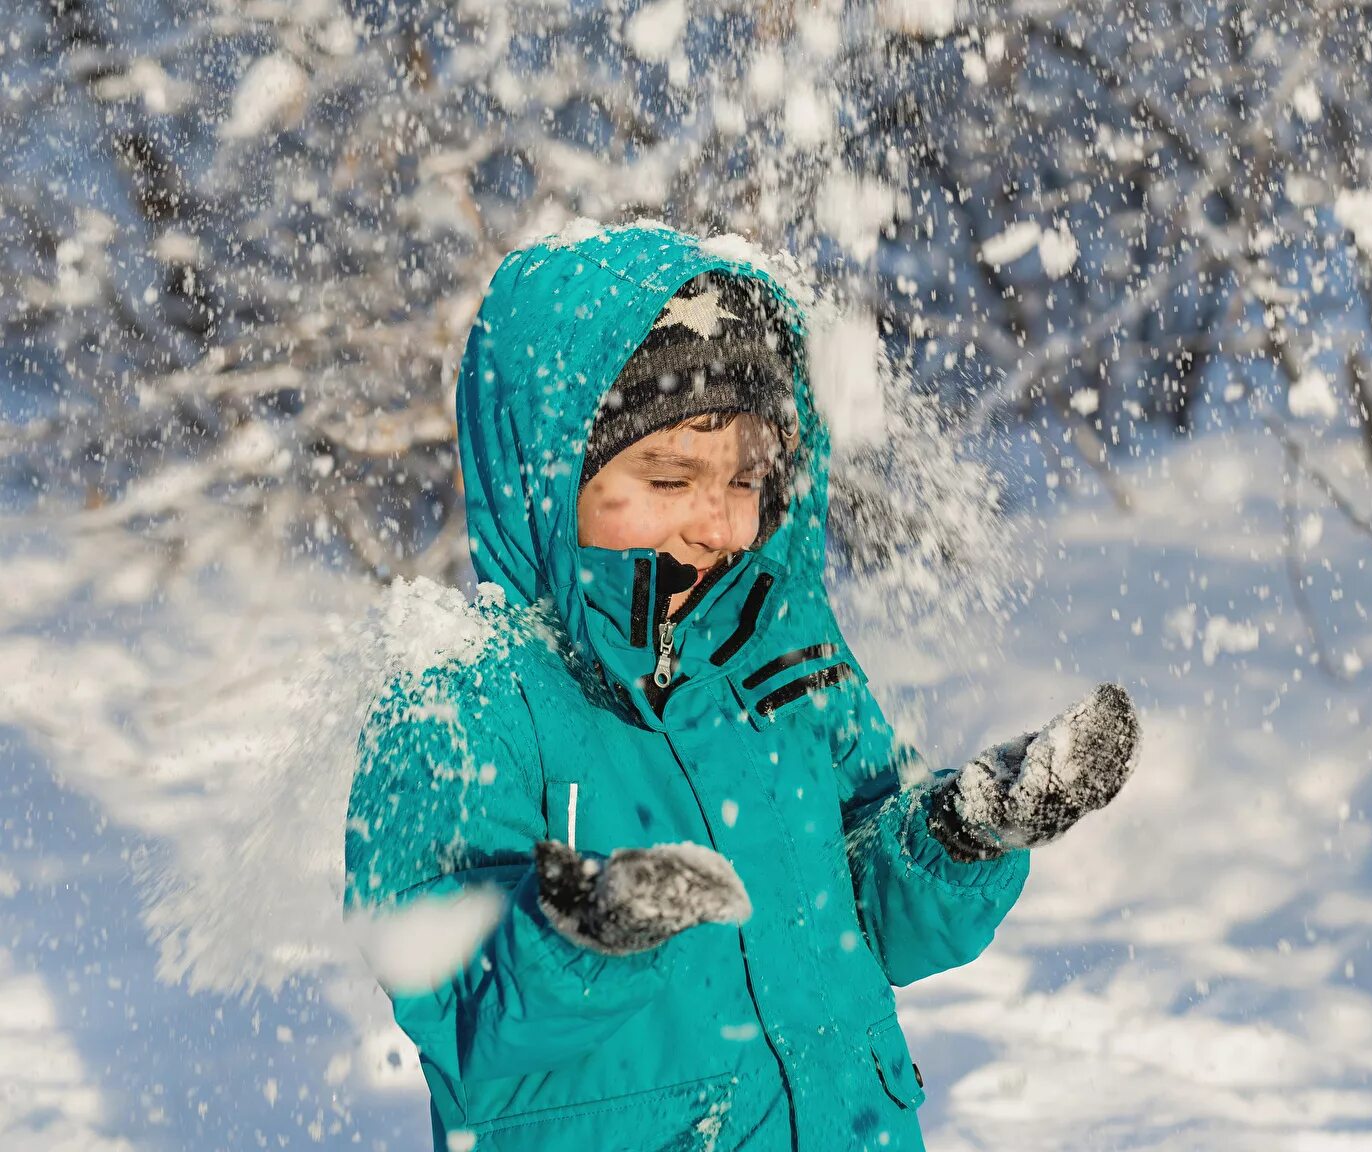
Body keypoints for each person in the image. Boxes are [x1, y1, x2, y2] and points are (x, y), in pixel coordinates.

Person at [344, 224, 1141, 1152]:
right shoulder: (461, 698)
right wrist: (584, 930)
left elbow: (863, 917)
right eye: (670, 476)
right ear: (549, 476)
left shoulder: (782, 660)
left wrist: (964, 831)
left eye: (748, 479)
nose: (721, 522)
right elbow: (449, 993)